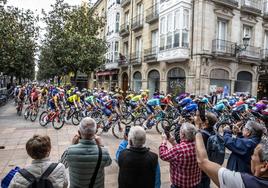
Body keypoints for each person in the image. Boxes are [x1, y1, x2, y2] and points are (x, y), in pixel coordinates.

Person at [195, 130, 268, 188]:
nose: (251, 157)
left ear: (264, 166)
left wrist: (198, 132)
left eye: (254, 155)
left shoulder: (247, 183)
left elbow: (203, 162)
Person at [62, 117, 112, 188]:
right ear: (95, 132)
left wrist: (72, 145)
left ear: (79, 132)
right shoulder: (103, 152)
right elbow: (108, 162)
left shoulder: (70, 151)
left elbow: (62, 164)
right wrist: (101, 146)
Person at [159, 122, 201, 188]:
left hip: (180, 184)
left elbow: (162, 155)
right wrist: (173, 142)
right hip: (195, 183)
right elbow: (184, 150)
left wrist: (164, 141)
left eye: (180, 132)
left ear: (183, 135)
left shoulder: (178, 149)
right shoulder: (199, 146)